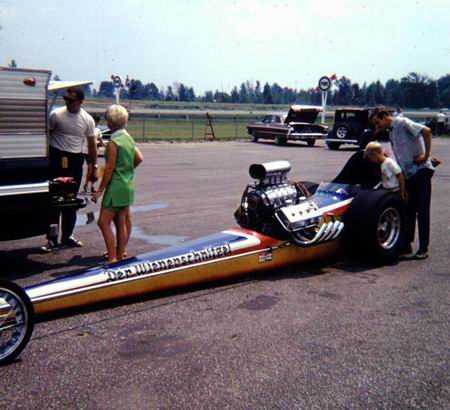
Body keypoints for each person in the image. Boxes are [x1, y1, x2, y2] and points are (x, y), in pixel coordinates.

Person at [371, 108, 434, 259]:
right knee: (408, 209)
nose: (377, 126)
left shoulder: (402, 122)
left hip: (420, 172)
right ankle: (406, 245)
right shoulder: (391, 132)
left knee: (422, 210)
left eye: (377, 122)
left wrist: (426, 156)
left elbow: (426, 131)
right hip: (408, 175)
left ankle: (423, 248)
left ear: (385, 116)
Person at [43, 87, 97, 251]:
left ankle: (67, 236)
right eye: (66, 99)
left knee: (70, 200)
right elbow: (46, 136)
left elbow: (92, 145)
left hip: (75, 160)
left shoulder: (87, 119)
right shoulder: (56, 115)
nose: (67, 102)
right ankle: (52, 238)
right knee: (55, 200)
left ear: (80, 102)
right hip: (56, 158)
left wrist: (92, 167)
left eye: (71, 100)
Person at [92, 105, 143, 263]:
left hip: (115, 186)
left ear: (110, 122)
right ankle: (120, 256)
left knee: (103, 222)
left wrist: (100, 190)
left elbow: (109, 169)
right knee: (121, 222)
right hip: (127, 184)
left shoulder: (114, 142)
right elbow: (139, 158)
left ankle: (112, 257)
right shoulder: (128, 138)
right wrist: (127, 170)